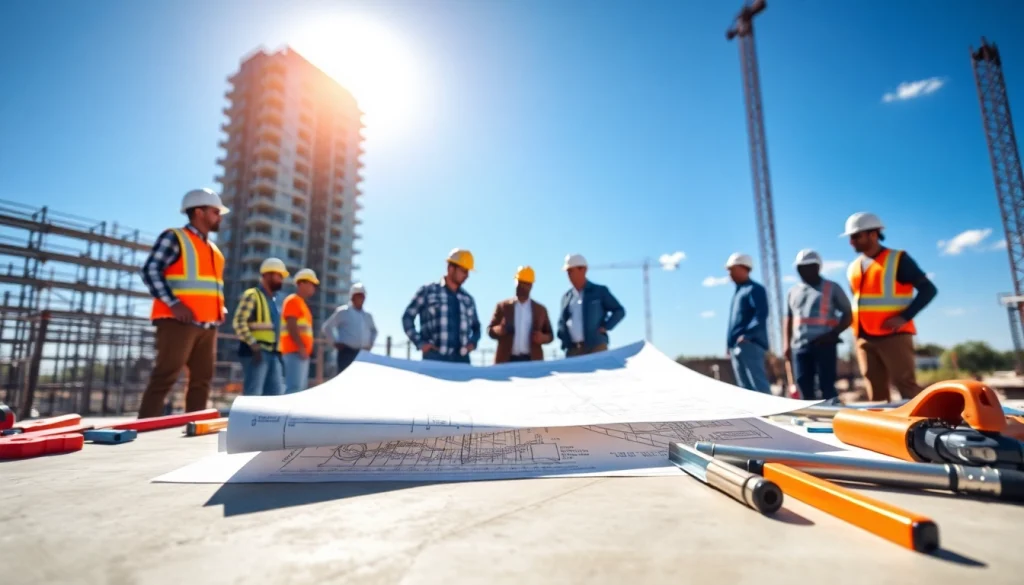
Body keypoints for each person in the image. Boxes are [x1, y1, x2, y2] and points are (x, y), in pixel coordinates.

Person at [137, 188, 228, 418]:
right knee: (165, 376)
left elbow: (211, 286)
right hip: (178, 322)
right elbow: (150, 270)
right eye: (216, 211)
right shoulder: (175, 237)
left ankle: (194, 426)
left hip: (208, 325)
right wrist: (173, 303)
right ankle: (145, 428)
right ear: (199, 212)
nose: (220, 216)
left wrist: (220, 308)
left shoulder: (214, 250)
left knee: (202, 380)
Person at [842, 212, 937, 401]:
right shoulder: (853, 267)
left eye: (855, 236)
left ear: (873, 234)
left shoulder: (898, 259)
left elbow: (928, 290)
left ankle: (921, 427)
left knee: (906, 386)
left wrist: (904, 317)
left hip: (894, 335)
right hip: (863, 336)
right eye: (850, 237)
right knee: (875, 390)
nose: (851, 242)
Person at [783, 249, 852, 400]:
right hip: (800, 346)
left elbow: (848, 314)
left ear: (817, 267)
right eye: (801, 267)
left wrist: (833, 334)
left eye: (808, 266)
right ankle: (810, 417)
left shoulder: (832, 288)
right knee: (803, 384)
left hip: (824, 344)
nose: (804, 270)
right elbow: (788, 319)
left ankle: (830, 415)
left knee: (826, 384)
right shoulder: (793, 291)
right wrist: (787, 345)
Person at [402, 248, 481, 363]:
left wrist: (473, 343)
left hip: (462, 360)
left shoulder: (468, 299)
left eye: (468, 272)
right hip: (434, 358)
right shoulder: (427, 291)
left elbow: (477, 328)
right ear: (450, 268)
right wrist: (420, 343)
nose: (467, 275)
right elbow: (407, 317)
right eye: (464, 271)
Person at [232, 258, 289, 396]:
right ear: (267, 275)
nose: (281, 280)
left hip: (272, 354)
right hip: (256, 353)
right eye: (279, 276)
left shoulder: (273, 301)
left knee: (275, 395)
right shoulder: (252, 295)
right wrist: (253, 345)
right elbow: (238, 322)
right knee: (253, 395)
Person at [557, 253, 626, 357]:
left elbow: (619, 310)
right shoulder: (566, 297)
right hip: (573, 350)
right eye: (567, 272)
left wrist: (607, 326)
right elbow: (562, 323)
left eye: (571, 270)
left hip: (596, 347)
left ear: (583, 270)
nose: (569, 275)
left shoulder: (599, 291)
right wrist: (564, 341)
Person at [724, 253, 771, 393]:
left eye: (732, 269)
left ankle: (769, 413)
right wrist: (729, 344)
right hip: (736, 346)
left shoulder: (755, 289)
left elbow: (761, 314)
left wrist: (747, 335)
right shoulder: (738, 293)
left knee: (758, 385)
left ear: (743, 268)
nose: (729, 273)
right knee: (744, 389)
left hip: (750, 344)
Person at [487, 266, 554, 363]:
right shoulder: (502, 307)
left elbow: (550, 335)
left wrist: (543, 338)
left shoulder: (540, 310)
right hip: (506, 361)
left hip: (532, 361)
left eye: (524, 284)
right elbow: (490, 330)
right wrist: (498, 330)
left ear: (530, 286)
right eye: (518, 283)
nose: (520, 287)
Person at [321, 282, 377, 374]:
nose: (361, 298)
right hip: (346, 354)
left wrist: (370, 344)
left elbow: (374, 331)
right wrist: (335, 343)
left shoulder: (367, 316)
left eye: (362, 296)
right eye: (358, 296)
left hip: (363, 354)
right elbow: (327, 327)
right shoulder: (343, 312)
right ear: (352, 297)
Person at [281, 268, 319, 394]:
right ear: (302, 283)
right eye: (311, 284)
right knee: (293, 388)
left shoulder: (301, 304)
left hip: (300, 353)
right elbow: (291, 325)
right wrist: (301, 346)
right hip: (294, 351)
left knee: (298, 389)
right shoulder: (293, 301)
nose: (313, 288)